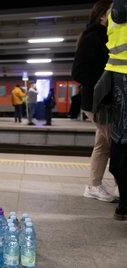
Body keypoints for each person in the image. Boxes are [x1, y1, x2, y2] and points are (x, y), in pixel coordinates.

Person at [72, 0, 115, 202]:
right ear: (102, 16)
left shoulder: (103, 35)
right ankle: (118, 187)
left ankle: (94, 185)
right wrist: (104, 85)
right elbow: (79, 71)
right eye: (112, 10)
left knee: (103, 145)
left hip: (102, 101)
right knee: (118, 143)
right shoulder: (94, 37)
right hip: (99, 102)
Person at [102, 0, 127, 219]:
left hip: (119, 79)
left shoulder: (116, 9)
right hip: (119, 79)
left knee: (120, 150)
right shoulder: (118, 8)